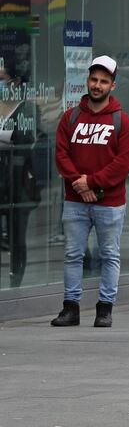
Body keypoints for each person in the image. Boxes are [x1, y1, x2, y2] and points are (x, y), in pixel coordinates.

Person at [51, 56, 129, 328]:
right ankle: (70, 308)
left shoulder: (122, 121)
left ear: (113, 85)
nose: (97, 85)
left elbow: (123, 164)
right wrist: (81, 182)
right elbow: (61, 155)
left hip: (109, 203)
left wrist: (93, 183)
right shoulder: (70, 117)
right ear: (87, 81)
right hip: (75, 200)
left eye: (103, 81)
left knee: (109, 255)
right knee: (73, 255)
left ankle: (105, 309)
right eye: (94, 80)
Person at [0, 66, 41, 288]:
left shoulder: (27, 109)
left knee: (17, 235)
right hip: (2, 178)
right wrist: (9, 139)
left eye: (2, 79)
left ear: (15, 82)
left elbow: (26, 138)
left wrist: (7, 138)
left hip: (18, 180)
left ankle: (16, 283)